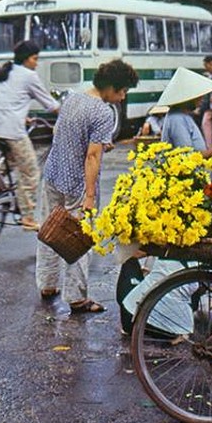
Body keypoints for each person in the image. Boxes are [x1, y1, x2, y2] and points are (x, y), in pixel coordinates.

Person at [116, 67, 212, 333]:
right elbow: (185, 159)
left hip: (190, 189)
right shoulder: (178, 119)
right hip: (182, 194)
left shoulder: (182, 117)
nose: (201, 100)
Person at [35, 59, 138, 313]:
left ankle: (47, 284)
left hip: (52, 173)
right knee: (79, 239)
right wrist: (89, 196)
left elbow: (62, 131)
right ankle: (76, 297)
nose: (123, 97)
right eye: (122, 91)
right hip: (77, 183)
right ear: (111, 87)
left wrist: (99, 143)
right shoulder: (102, 112)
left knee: (50, 230)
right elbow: (92, 156)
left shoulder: (73, 97)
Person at [0, 40, 60, 231]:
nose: (36, 63)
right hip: (11, 129)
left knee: (13, 158)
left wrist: (24, 117)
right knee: (31, 172)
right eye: (35, 59)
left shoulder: (7, 71)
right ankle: (27, 217)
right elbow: (50, 104)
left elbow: (9, 100)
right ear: (27, 59)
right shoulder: (29, 76)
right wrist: (68, 114)